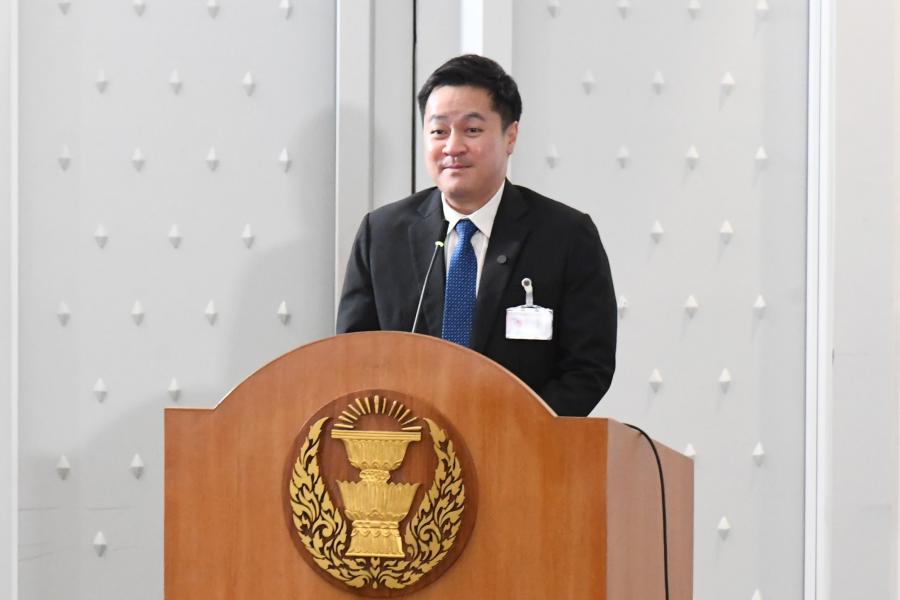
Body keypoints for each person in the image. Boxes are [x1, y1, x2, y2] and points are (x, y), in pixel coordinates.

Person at [336, 54, 616, 417]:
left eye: (471, 130)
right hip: (408, 442)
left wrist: (514, 430)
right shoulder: (383, 234)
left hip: (520, 442)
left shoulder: (566, 236)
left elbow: (587, 367)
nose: (452, 147)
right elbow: (354, 357)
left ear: (510, 136)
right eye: (438, 131)